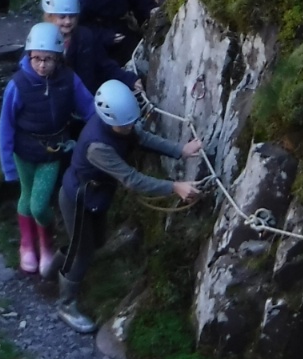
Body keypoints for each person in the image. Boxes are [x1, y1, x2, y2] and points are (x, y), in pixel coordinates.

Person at [56, 79, 202, 334]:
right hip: (78, 200)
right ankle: (65, 303)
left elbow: (143, 138)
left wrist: (181, 150)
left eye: (131, 122)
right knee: (83, 251)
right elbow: (132, 179)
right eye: (126, 124)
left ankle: (52, 267)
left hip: (95, 197)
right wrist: (174, 187)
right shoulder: (97, 146)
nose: (131, 127)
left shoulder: (120, 125)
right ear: (110, 119)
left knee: (94, 242)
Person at [0, 22, 94, 278]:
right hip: (23, 151)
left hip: (52, 151)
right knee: (26, 198)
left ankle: (46, 244)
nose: (42, 65)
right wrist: (8, 165)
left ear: (58, 58)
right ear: (29, 56)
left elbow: (88, 107)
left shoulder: (68, 80)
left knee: (39, 205)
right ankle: (27, 245)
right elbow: (6, 125)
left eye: (48, 59)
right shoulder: (18, 85)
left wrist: (103, 127)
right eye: (37, 59)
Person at [40, 0, 136, 95]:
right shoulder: (40, 41)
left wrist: (130, 80)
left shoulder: (85, 37)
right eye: (62, 17)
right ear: (49, 16)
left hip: (85, 96)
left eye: (72, 16)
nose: (68, 21)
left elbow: (104, 65)